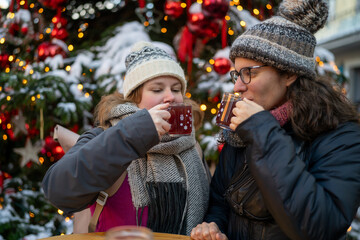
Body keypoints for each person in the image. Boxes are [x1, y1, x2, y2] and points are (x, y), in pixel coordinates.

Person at [190, 0, 360, 239]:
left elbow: (320, 226)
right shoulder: (242, 131)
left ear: (289, 73)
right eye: (237, 74)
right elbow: (220, 200)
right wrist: (215, 226)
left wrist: (262, 131)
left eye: (250, 72)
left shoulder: (339, 134)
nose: (238, 86)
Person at [42, 41, 210, 235]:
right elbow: (58, 191)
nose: (170, 97)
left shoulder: (190, 144)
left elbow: (211, 206)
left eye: (176, 89)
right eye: (157, 89)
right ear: (133, 97)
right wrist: (137, 131)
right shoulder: (107, 134)